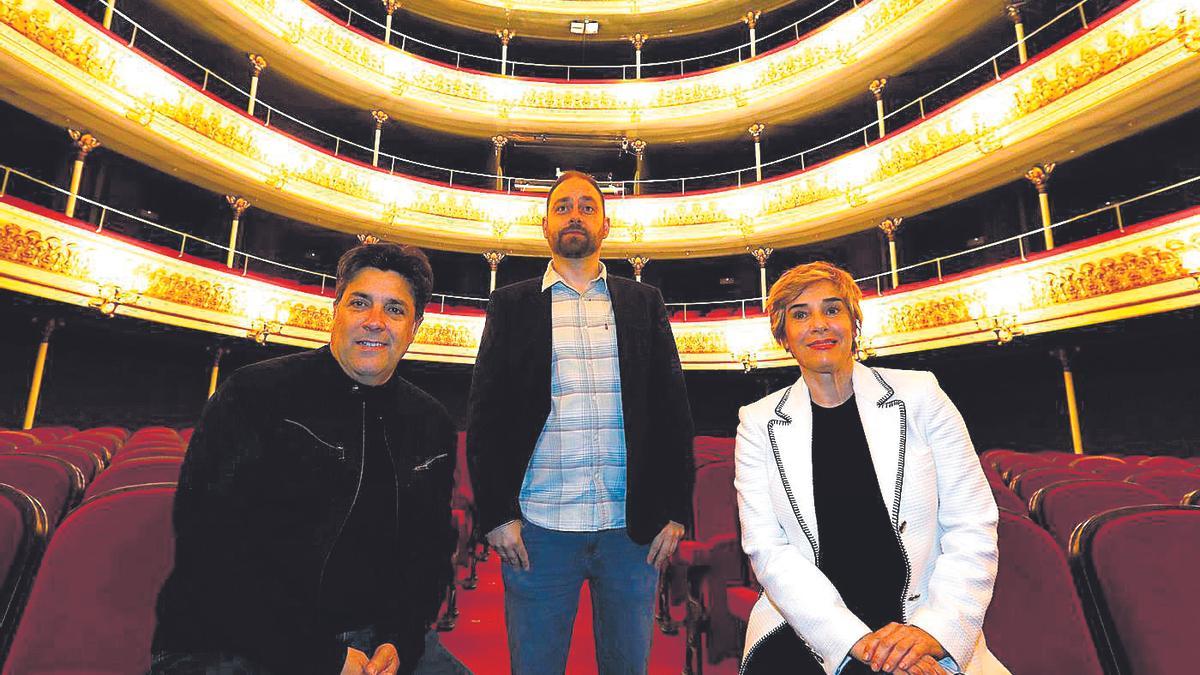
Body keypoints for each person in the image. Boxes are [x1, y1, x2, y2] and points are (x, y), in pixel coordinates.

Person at [151, 242, 470, 675]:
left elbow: (426, 552)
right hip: (239, 639)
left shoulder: (431, 421)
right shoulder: (253, 394)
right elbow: (212, 551)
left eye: (394, 310)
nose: (374, 322)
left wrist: (401, 638)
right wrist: (321, 658)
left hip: (375, 640)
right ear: (335, 310)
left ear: (415, 327)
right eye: (360, 303)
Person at [466, 171, 695, 675]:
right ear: (545, 226)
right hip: (540, 529)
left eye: (587, 206)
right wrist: (496, 515)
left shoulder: (643, 301)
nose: (575, 214)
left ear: (605, 225)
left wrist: (677, 509)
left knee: (626, 667)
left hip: (631, 532)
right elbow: (487, 416)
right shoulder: (511, 304)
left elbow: (672, 411)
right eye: (563, 206)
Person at [733, 261, 1010, 675]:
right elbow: (769, 551)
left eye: (832, 309)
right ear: (783, 335)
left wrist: (933, 633)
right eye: (800, 314)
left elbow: (972, 524)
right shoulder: (757, 423)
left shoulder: (921, 395)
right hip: (809, 624)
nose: (819, 325)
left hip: (920, 616)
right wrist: (856, 643)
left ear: (853, 323)